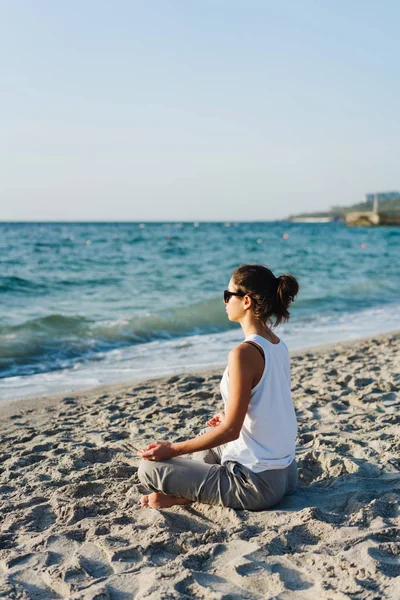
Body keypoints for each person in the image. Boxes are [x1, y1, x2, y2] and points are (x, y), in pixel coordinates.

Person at [137, 263, 299, 511]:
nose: (224, 301)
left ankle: (183, 496)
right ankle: (190, 490)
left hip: (256, 485)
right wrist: (229, 417)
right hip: (286, 473)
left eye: (228, 295)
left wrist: (172, 449)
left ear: (246, 301)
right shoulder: (277, 344)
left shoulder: (244, 353)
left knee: (149, 469)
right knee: (207, 440)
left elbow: (231, 432)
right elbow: (272, 406)